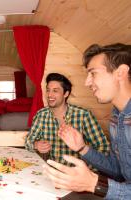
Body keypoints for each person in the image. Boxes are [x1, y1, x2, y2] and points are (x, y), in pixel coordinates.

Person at [44, 43, 131, 199]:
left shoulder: (85, 115)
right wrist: (82, 148)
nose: (87, 82)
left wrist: (92, 184)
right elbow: (117, 171)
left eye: (93, 73)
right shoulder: (117, 116)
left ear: (121, 72)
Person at [25, 73, 110, 165]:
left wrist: (88, 170)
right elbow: (28, 141)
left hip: (78, 173)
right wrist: (36, 145)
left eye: (55, 91)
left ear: (66, 94)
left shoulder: (83, 115)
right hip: (53, 171)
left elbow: (103, 147)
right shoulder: (41, 115)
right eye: (48, 90)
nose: (49, 94)